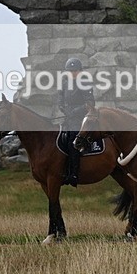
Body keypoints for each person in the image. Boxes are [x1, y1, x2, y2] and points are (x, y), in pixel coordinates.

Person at [57, 57, 95, 186]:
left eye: (75, 70)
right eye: (70, 71)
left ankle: (74, 174)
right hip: (68, 118)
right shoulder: (65, 83)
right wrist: (63, 109)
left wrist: (75, 111)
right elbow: (60, 99)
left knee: (73, 139)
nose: (73, 73)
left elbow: (90, 103)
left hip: (81, 118)